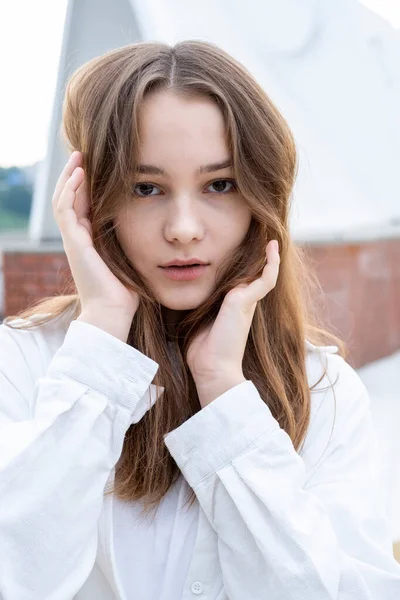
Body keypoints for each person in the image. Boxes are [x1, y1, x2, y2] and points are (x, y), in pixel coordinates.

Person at [0, 40, 399, 600]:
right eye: (146, 188)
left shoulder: (322, 392)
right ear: (91, 200)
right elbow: (17, 575)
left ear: (263, 198)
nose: (183, 227)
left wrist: (225, 394)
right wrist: (102, 341)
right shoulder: (23, 361)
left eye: (219, 184)